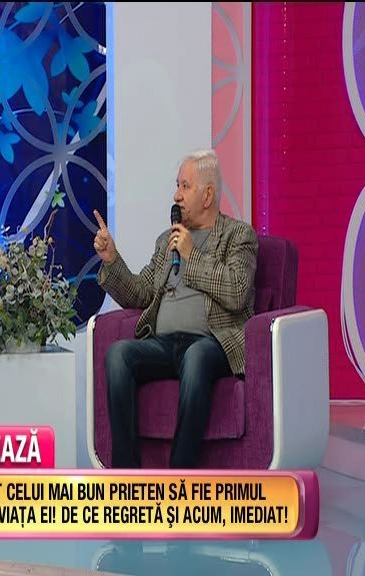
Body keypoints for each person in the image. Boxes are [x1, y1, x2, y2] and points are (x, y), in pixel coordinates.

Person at [93, 149, 258, 469]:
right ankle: (127, 478)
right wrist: (112, 259)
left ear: (207, 195)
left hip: (212, 343)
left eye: (185, 186)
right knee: (118, 355)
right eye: (177, 185)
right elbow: (139, 293)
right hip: (164, 344)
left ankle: (180, 476)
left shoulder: (238, 235)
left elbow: (237, 291)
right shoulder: (166, 241)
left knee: (196, 356)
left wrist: (192, 256)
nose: (176, 195)